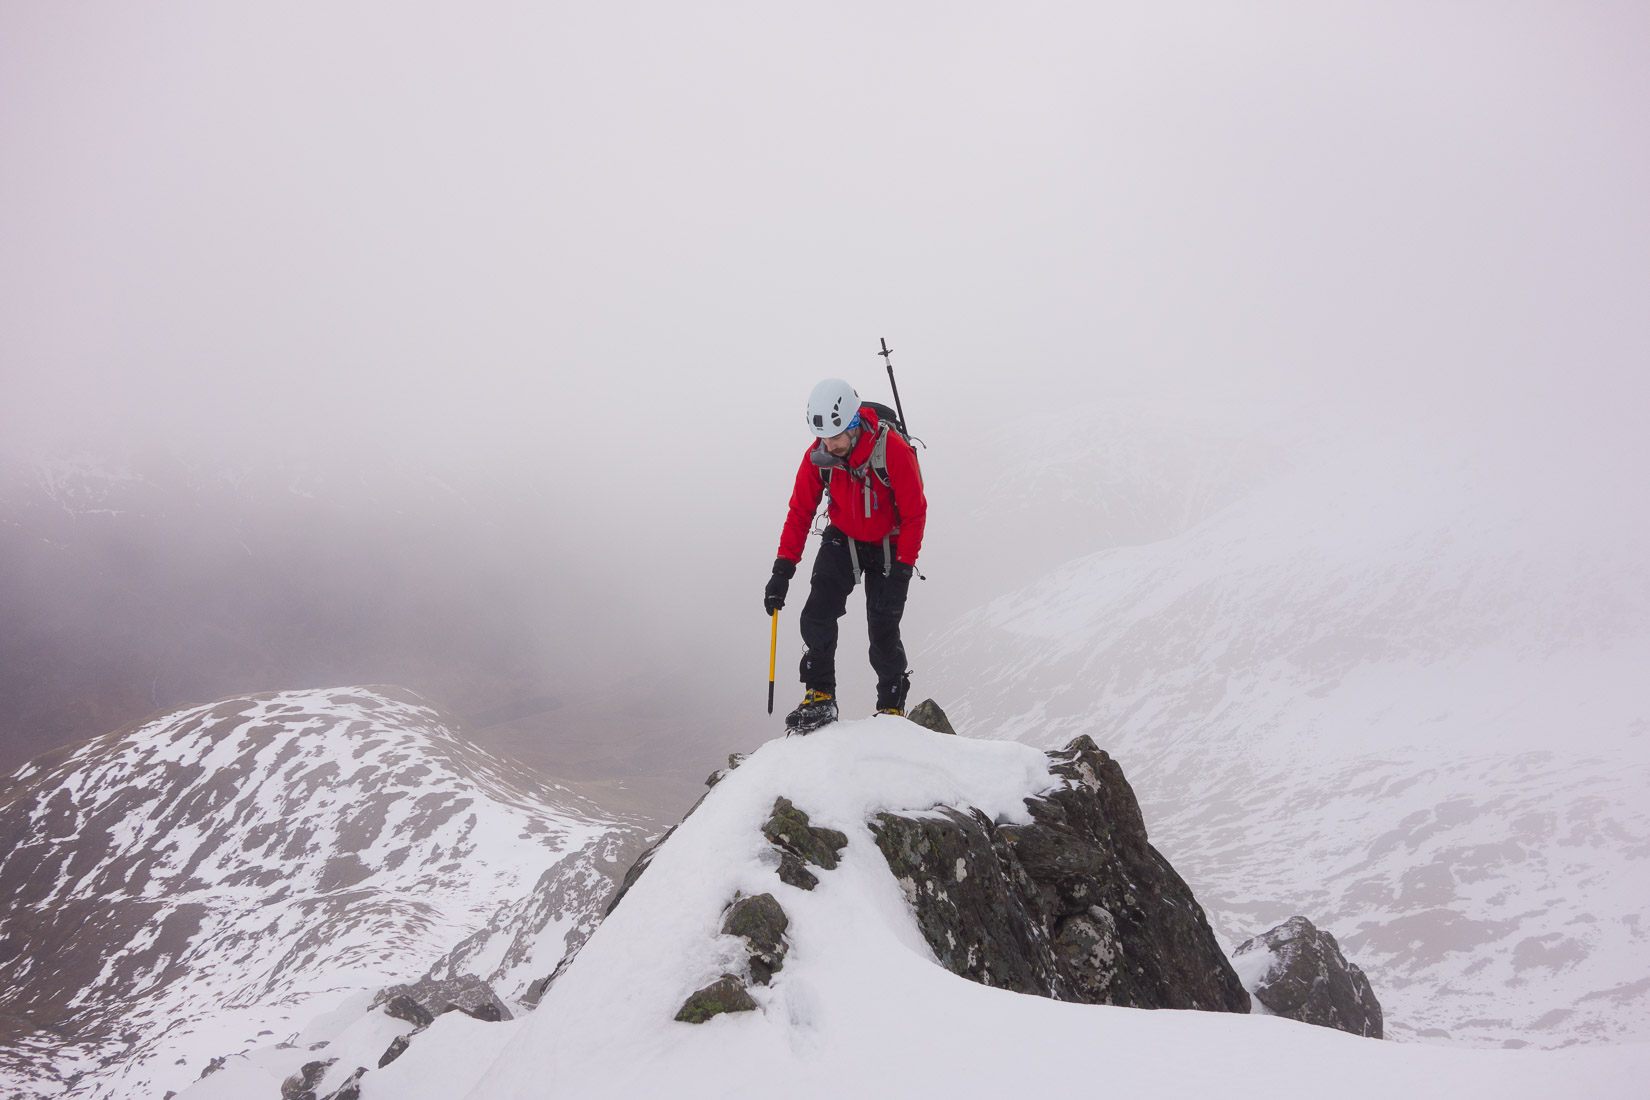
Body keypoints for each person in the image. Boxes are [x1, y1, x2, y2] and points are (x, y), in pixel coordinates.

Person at [763, 378, 927, 733]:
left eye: (836, 437)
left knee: (883, 630)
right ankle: (820, 695)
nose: (830, 445)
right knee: (816, 614)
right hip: (844, 537)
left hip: (890, 543)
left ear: (853, 424)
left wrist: (902, 570)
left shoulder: (892, 450)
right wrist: (783, 569)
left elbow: (915, 513)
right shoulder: (818, 457)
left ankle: (891, 707)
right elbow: (800, 511)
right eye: (823, 438)